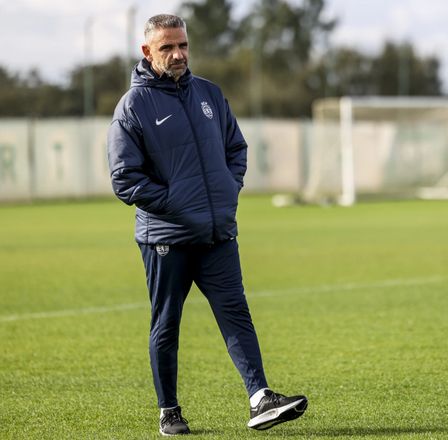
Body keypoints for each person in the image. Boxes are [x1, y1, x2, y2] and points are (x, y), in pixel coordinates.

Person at [107, 14, 307, 436]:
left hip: (217, 234)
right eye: (167, 47)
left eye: (182, 45)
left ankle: (260, 398)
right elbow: (125, 179)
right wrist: (179, 204)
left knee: (237, 314)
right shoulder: (133, 106)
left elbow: (236, 148)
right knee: (166, 324)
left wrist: (227, 190)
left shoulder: (209, 94)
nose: (178, 54)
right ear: (147, 51)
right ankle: (169, 412)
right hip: (167, 239)